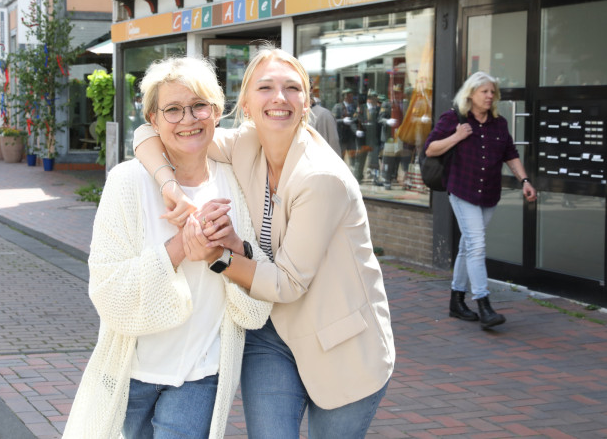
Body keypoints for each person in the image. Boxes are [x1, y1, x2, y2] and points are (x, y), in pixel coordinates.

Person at [134, 46, 395, 438]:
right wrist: (169, 185)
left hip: (339, 344)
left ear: (306, 103)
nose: (280, 98)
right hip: (271, 334)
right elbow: (150, 133)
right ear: (246, 103)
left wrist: (218, 257)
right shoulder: (245, 145)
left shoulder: (321, 178)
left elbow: (287, 283)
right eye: (266, 87)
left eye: (292, 88)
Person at [63, 56, 271, 439]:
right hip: (130, 374)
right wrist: (179, 247)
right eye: (172, 110)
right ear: (153, 121)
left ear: (216, 111)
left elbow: (255, 303)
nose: (188, 119)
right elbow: (107, 290)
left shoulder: (237, 182)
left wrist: (229, 249)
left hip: (201, 373)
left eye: (198, 106)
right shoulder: (127, 182)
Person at [424, 71, 537, 329]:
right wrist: (457, 136)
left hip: (488, 193)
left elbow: (511, 154)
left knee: (468, 245)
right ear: (471, 94)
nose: (489, 96)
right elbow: (430, 149)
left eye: (492, 92)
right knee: (477, 245)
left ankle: (456, 300)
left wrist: (525, 181)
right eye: (484, 91)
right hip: (462, 191)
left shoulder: (499, 123)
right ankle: (483, 304)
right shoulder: (454, 119)